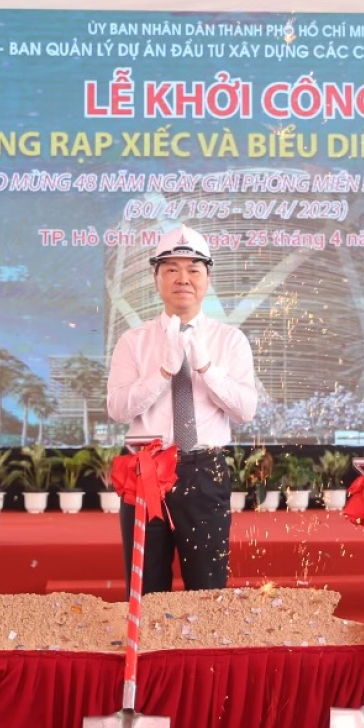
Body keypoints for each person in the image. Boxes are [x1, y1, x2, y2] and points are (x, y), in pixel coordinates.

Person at [106, 225, 257, 593]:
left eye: (193, 269)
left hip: (204, 469)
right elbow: (118, 409)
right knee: (145, 588)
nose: (183, 278)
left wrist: (206, 368)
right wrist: (162, 372)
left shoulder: (230, 340)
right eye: (172, 269)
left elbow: (245, 411)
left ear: (208, 277)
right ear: (155, 277)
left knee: (207, 588)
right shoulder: (134, 341)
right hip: (146, 469)